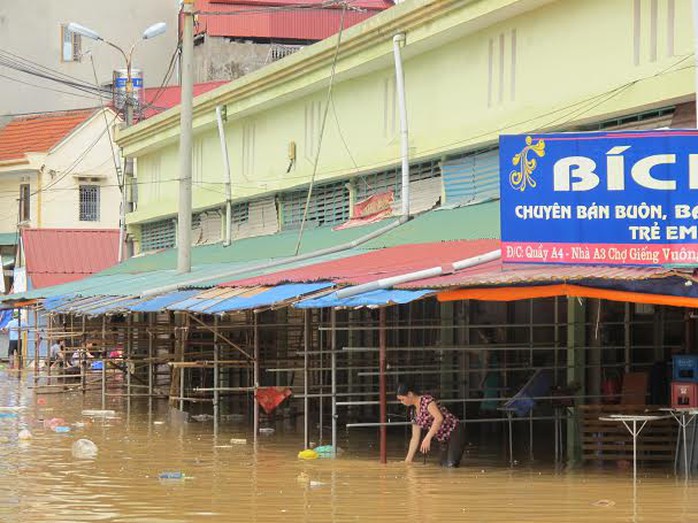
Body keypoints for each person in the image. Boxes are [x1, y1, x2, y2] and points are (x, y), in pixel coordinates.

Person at [397, 383, 467, 467]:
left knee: (451, 464)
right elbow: (415, 437)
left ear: (410, 394)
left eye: (402, 399)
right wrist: (408, 460)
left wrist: (428, 437)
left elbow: (439, 418)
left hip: (455, 432)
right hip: (443, 438)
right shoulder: (413, 412)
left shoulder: (426, 400)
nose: (402, 402)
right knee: (443, 465)